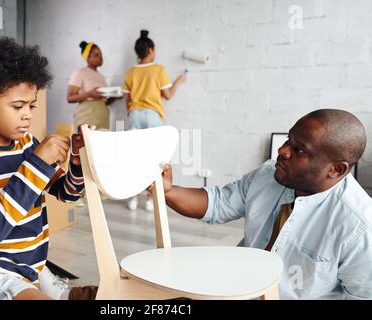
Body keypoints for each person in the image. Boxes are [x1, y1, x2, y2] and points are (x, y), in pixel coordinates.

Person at [150, 109, 372, 299]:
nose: (282, 151)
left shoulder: (360, 226)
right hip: (237, 288)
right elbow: (218, 202)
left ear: (336, 169)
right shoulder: (268, 174)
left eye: (299, 150)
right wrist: (167, 190)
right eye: (288, 140)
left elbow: (362, 295)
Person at [0, 35, 97, 300]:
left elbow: (68, 194)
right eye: (17, 106)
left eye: (31, 105)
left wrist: (76, 161)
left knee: (96, 295)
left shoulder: (26, 145)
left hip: (26, 270)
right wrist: (36, 164)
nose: (28, 114)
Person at [123, 29, 186, 211]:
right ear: (150, 50)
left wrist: (133, 111)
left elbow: (126, 100)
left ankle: (133, 199)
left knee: (134, 158)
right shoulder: (159, 69)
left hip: (134, 114)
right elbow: (167, 95)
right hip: (152, 115)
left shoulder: (130, 72)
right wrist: (179, 82)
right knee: (156, 157)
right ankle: (151, 199)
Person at [67, 41, 117, 131]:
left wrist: (115, 97)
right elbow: (70, 98)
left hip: (103, 114)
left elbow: (103, 100)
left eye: (101, 54)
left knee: (102, 143)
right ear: (88, 57)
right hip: (87, 114)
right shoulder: (80, 72)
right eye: (96, 54)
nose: (100, 57)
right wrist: (90, 94)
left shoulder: (101, 77)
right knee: (86, 143)